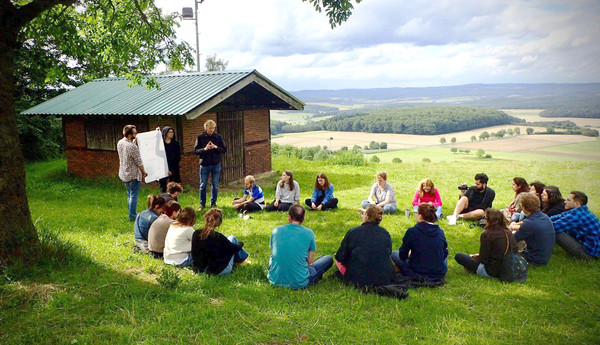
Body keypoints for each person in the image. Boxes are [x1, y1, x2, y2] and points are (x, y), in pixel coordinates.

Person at [268, 205, 333, 289]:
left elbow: (274, 253)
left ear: (289, 218)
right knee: (328, 259)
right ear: (303, 220)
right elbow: (310, 262)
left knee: (272, 259)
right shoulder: (309, 233)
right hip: (300, 282)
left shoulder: (276, 230)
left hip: (275, 280)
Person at [334, 205, 393, 287]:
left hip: (358, 278)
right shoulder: (385, 233)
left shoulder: (353, 232)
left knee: (338, 260)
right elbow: (388, 253)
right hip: (383, 277)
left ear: (366, 215)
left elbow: (339, 256)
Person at [455, 208, 518, 279]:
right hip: (508, 267)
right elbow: (515, 249)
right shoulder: (508, 232)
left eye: (484, 218)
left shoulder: (486, 234)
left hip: (491, 271)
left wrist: (475, 257)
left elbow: (483, 259)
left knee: (459, 256)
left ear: (488, 220)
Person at [392, 203, 448, 281]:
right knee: (444, 252)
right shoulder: (440, 232)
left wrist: (410, 254)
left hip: (417, 272)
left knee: (394, 253)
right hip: (438, 274)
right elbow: (445, 254)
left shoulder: (412, 231)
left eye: (417, 213)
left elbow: (402, 255)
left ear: (421, 215)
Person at [191, 208, 250, 275]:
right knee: (232, 238)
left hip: (198, 270)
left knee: (230, 240)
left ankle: (241, 259)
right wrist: (241, 243)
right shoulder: (219, 237)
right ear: (218, 221)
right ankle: (243, 259)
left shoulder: (196, 233)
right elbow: (234, 249)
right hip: (217, 271)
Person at [551, 191, 600, 261]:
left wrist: (537, 223)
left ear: (577, 204)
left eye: (568, 200)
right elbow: (559, 216)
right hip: (589, 249)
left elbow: (553, 227)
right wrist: (543, 219)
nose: (565, 201)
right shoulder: (580, 210)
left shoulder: (577, 216)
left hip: (588, 255)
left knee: (556, 232)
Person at [512, 193, 555, 266]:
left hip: (533, 260)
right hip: (544, 257)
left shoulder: (529, 224)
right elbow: (526, 221)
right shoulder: (544, 217)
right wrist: (517, 224)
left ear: (524, 207)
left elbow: (512, 240)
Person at [194, 119, 227, 211]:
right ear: (206, 128)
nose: (212, 130)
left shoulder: (218, 137)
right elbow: (195, 151)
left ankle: (213, 204)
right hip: (204, 165)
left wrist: (215, 147)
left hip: (216, 164)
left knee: (215, 185)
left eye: (213, 128)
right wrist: (205, 149)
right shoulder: (200, 137)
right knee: (203, 185)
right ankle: (202, 204)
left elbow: (224, 150)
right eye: (210, 128)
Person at [117, 124, 148, 221]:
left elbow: (128, 151)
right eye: (134, 133)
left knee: (129, 195)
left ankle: (131, 214)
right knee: (134, 196)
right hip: (133, 174)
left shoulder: (120, 143)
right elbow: (138, 161)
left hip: (124, 173)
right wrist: (144, 172)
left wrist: (133, 143)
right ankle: (133, 216)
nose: (136, 134)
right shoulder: (132, 147)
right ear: (130, 135)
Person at [158, 126, 181, 193]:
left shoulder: (175, 144)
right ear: (165, 133)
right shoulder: (161, 144)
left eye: (172, 132)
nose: (172, 133)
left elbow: (177, 157)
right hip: (163, 168)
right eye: (170, 132)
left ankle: (174, 202)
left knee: (174, 188)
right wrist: (157, 133)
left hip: (173, 168)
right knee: (163, 188)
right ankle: (163, 202)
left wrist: (171, 170)